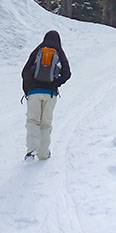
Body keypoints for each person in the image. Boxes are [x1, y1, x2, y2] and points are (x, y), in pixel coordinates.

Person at [21, 30, 71, 160]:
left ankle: (32, 149)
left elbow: (25, 72)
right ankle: (43, 154)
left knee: (33, 120)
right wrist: (55, 83)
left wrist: (28, 89)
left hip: (34, 92)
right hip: (50, 94)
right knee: (46, 123)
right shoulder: (59, 51)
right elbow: (67, 73)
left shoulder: (38, 50)